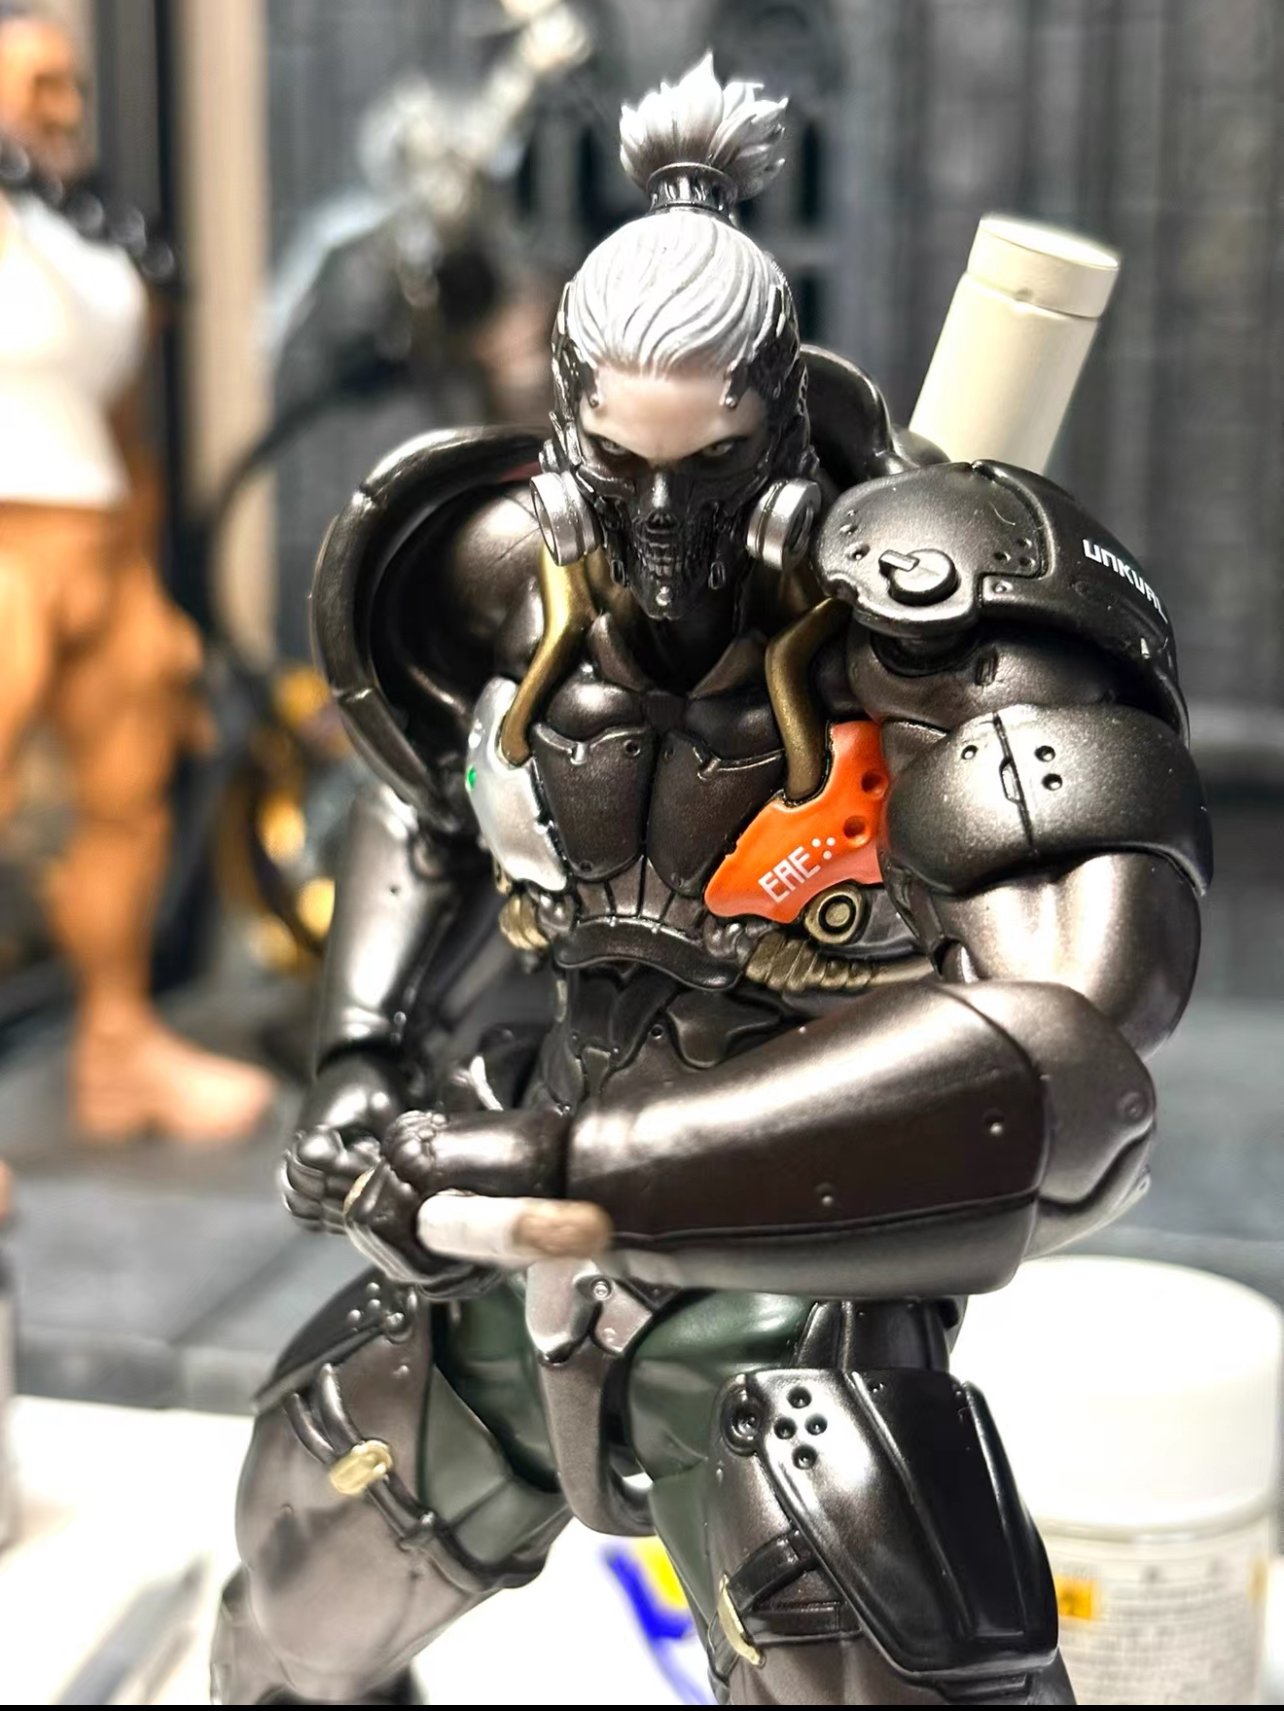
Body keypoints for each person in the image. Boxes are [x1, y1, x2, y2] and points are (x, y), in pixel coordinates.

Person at [212, 58, 1208, 1705]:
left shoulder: (926, 620)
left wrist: (581, 1169)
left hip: (785, 1261)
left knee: (889, 1652)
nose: (664, 525)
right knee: (295, 1583)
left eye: (713, 463)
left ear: (780, 420)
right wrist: (361, 1058)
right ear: (564, 427)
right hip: (492, 1219)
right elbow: (430, 813)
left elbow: (1066, 1057)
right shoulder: (496, 575)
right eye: (620, 467)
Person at [0, 2, 274, 1141]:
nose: (62, 106)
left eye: (68, 83)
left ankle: (116, 1045)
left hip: (99, 537)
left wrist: (147, 579)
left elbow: (124, 424)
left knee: (130, 796)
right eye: (36, 84)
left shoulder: (78, 233)